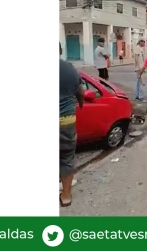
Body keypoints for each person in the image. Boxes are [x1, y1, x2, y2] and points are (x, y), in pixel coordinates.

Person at [59, 43, 84, 207]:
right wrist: (81, 104)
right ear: (60, 50)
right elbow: (80, 92)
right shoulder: (69, 69)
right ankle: (66, 196)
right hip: (66, 119)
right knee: (67, 158)